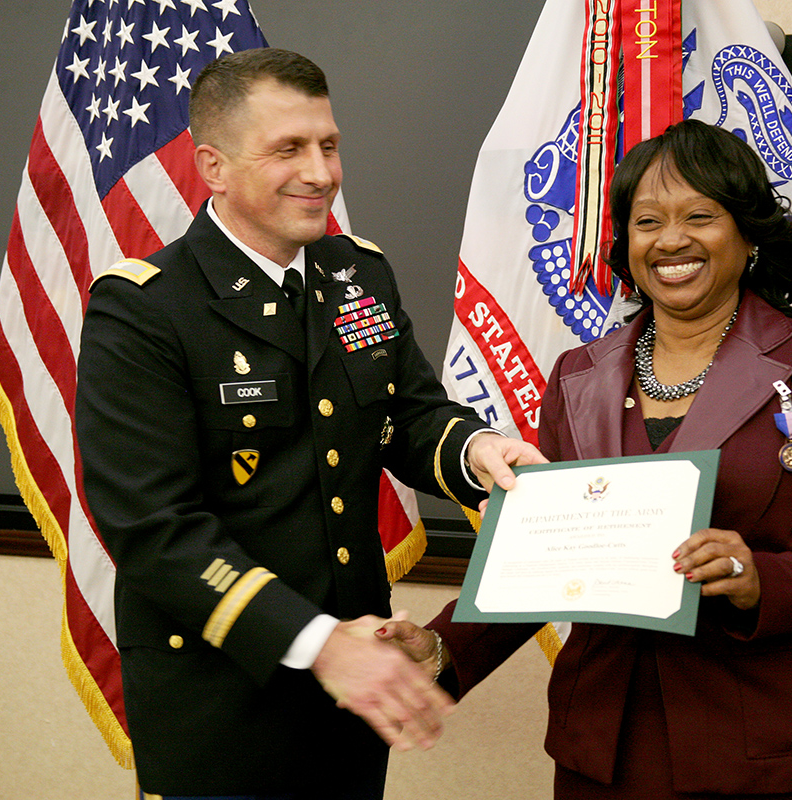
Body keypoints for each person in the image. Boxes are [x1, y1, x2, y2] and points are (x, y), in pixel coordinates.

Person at [378, 120, 792, 799]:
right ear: (626, 245)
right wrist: (442, 648)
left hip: (762, 749)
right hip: (603, 748)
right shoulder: (576, 374)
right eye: (647, 221)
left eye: (701, 216)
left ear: (748, 234)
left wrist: (756, 578)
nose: (672, 240)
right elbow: (540, 558)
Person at [75, 48, 544, 800]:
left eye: (328, 145)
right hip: (223, 707)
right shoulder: (145, 310)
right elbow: (155, 528)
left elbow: (406, 416)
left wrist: (477, 450)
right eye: (288, 149)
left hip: (350, 705)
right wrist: (321, 643)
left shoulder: (357, 272)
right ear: (214, 167)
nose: (322, 172)